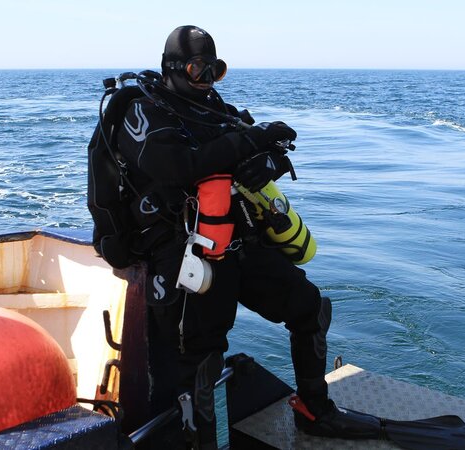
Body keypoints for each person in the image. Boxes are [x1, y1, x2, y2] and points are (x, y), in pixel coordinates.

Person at [115, 25, 372, 449]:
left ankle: (314, 410)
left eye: (215, 70)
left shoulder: (213, 108)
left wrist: (268, 160)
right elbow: (177, 165)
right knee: (200, 362)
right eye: (199, 69)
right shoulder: (142, 112)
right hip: (185, 259)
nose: (206, 80)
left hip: (235, 242)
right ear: (173, 68)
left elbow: (251, 147)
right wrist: (250, 141)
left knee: (308, 307)